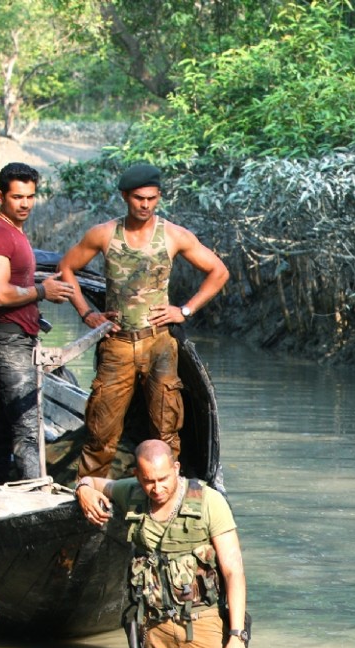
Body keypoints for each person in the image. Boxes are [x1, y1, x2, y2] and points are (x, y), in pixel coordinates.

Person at [58, 162, 230, 479]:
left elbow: (219, 272)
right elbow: (66, 268)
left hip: (159, 342)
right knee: (101, 428)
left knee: (166, 427)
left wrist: (185, 310)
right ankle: (90, 492)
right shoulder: (105, 234)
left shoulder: (173, 236)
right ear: (125, 196)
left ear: (159, 196)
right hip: (117, 343)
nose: (146, 205)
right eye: (139, 198)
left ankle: (167, 494)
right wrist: (87, 312)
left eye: (152, 198)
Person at [73, 439, 249, 648]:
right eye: (148, 481)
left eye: (164, 479)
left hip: (202, 623)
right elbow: (93, 481)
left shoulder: (209, 502)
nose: (156, 488)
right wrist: (84, 490)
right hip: (154, 627)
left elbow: (234, 572)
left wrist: (236, 637)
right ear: (137, 476)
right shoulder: (131, 493)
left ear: (176, 468)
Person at [0, 162, 73, 483]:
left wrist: (41, 283)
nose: (25, 204)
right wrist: (42, 290)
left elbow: (15, 280)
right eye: (17, 197)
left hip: (17, 339)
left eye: (30, 197)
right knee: (28, 431)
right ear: (0, 195)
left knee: (3, 425)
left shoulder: (14, 232)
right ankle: (35, 495)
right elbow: (0, 294)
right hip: (7, 342)